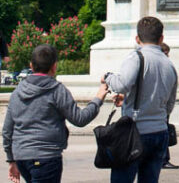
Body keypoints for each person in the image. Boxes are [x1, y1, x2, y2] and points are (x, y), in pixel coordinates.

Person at [3, 44, 108, 183]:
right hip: (46, 156)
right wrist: (98, 98)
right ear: (54, 66)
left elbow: (7, 130)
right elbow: (79, 119)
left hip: (22, 157)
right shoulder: (57, 90)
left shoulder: (17, 92)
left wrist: (11, 160)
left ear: (31, 65)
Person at [103, 16, 178, 183]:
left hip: (136, 132)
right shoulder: (169, 64)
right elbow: (170, 102)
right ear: (161, 38)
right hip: (159, 130)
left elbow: (122, 84)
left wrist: (108, 77)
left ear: (137, 38)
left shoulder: (136, 57)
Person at [158, 44, 178, 171]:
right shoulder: (161, 66)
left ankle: (164, 158)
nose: (168, 56)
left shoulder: (165, 66)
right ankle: (163, 159)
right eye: (166, 53)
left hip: (163, 105)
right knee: (162, 133)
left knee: (163, 133)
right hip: (160, 106)